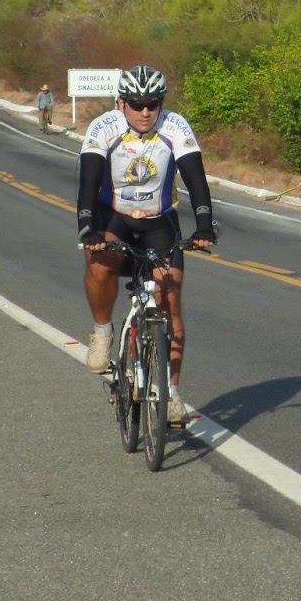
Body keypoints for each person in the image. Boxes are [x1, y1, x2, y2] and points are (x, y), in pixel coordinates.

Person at [75, 65, 216, 426]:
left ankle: (171, 393)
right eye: (137, 104)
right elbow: (88, 181)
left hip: (159, 219)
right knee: (99, 262)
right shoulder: (103, 127)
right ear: (121, 103)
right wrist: (87, 226)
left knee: (170, 297)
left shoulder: (175, 126)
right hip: (115, 215)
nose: (145, 112)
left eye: (153, 104)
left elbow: (195, 178)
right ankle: (103, 332)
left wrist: (204, 225)